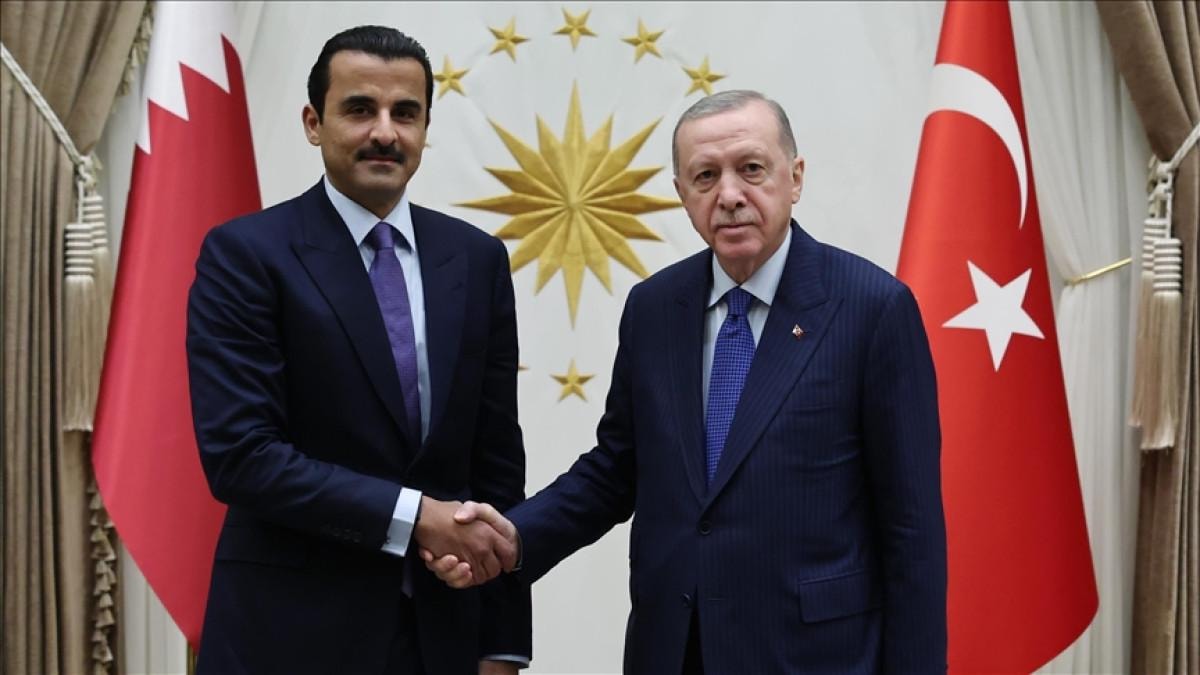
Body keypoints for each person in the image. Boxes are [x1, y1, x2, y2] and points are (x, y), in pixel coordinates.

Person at [424, 90, 947, 673]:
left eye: (751, 169)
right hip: (674, 651)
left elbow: (912, 530)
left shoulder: (872, 309)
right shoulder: (654, 309)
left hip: (814, 656)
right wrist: (513, 538)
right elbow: (615, 469)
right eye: (705, 176)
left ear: (795, 177)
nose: (730, 195)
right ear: (682, 193)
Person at [186, 25, 529, 674]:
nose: (385, 132)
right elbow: (242, 456)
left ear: (425, 127)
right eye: (360, 109)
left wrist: (502, 640)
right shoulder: (246, 255)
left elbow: (496, 463)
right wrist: (414, 516)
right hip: (287, 640)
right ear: (314, 123)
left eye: (406, 113)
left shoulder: (476, 259)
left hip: (442, 640)